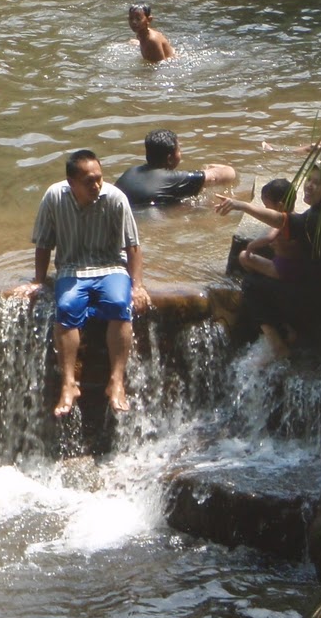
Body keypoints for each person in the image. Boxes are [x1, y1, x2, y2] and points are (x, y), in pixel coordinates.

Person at [16, 149, 150, 414]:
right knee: (65, 309)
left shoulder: (115, 199)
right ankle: (69, 384)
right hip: (72, 269)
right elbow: (43, 244)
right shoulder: (54, 197)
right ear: (71, 183)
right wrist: (38, 281)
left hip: (110, 266)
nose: (97, 185)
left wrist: (137, 286)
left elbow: (133, 246)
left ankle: (116, 381)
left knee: (119, 305)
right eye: (89, 181)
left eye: (99, 178)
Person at [215, 166, 321, 352]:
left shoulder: (320, 220)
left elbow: (282, 220)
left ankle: (277, 343)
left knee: (251, 284)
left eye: (317, 183)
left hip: (320, 309)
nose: (309, 186)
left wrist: (242, 205)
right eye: (309, 179)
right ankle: (287, 331)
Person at [115, 128, 238, 207]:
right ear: (170, 158)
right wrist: (215, 167)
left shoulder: (130, 172)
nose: (181, 153)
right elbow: (226, 175)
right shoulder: (173, 178)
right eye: (179, 150)